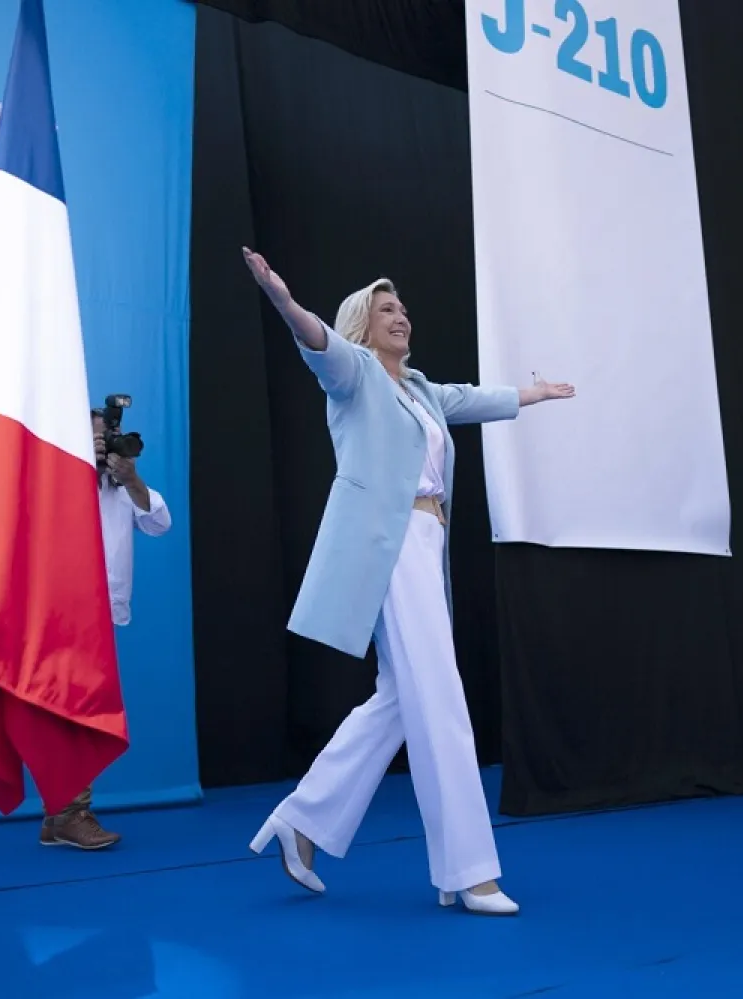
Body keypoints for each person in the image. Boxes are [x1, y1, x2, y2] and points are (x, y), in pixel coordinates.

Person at [241, 248, 575, 916]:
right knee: (441, 698)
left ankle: (303, 821)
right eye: (386, 308)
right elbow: (317, 340)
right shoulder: (355, 373)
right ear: (363, 325)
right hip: (389, 546)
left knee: (402, 697)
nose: (401, 316)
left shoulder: (419, 390)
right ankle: (469, 870)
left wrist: (530, 395)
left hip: (426, 544)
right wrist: (282, 298)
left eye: (403, 308)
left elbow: (470, 399)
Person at [39, 408, 171, 849]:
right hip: (62, 609)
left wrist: (131, 478)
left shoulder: (118, 487)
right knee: (77, 712)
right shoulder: (56, 476)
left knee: (71, 710)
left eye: (108, 436)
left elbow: (159, 522)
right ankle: (72, 812)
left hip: (98, 611)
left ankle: (58, 815)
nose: (104, 444)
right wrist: (80, 465)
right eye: (96, 437)